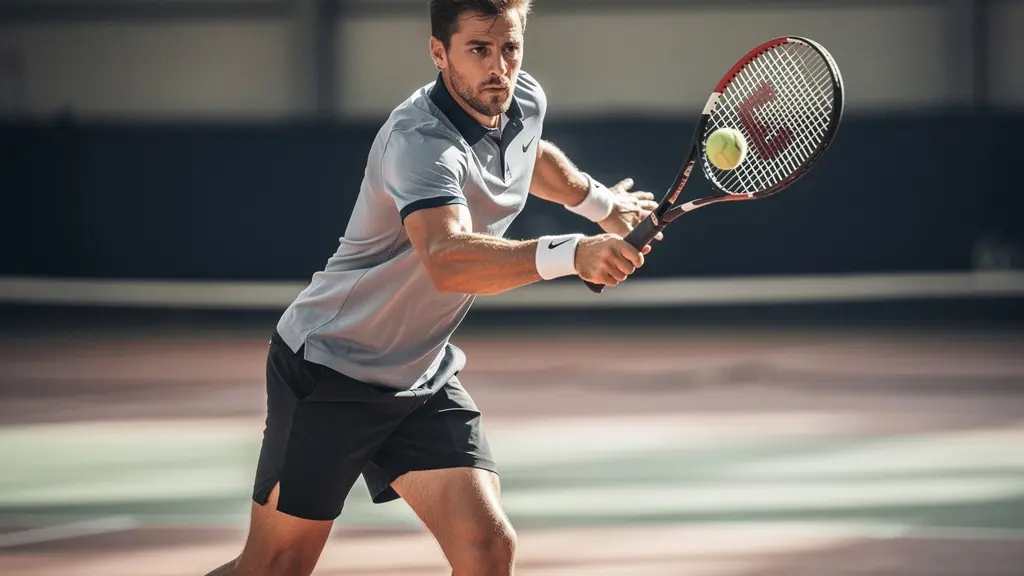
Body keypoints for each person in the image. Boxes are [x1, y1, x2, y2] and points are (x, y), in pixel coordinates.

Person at [206, 0, 659, 574]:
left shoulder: (521, 100)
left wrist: (600, 203)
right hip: (329, 370)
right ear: (439, 52)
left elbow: (530, 156)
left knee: (487, 548)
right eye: (478, 50)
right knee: (274, 568)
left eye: (510, 48)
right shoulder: (420, 141)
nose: (499, 68)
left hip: (419, 373)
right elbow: (447, 258)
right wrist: (571, 253)